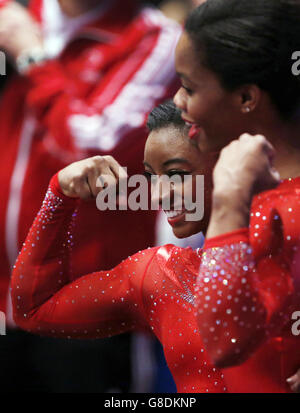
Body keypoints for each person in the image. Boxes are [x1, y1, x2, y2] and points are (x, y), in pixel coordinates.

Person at [11, 100, 300, 392]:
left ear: (232, 159)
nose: (159, 196)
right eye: (151, 177)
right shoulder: (161, 276)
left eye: (176, 175)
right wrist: (60, 193)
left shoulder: (292, 242)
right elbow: (33, 309)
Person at [0, 0, 180, 392]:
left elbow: (93, 152)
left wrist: (32, 57)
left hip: (88, 310)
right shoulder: (13, 14)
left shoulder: (157, 40)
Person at [173, 0, 300, 389]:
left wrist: (228, 208)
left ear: (247, 98)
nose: (177, 101)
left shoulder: (283, 212)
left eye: (189, 88)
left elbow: (225, 342)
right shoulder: (243, 184)